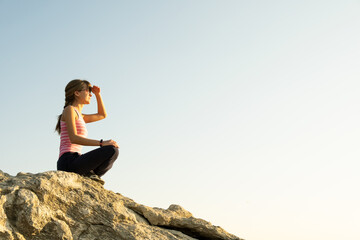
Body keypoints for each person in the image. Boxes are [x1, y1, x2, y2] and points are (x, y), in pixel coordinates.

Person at [55, 79, 119, 183]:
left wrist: (98, 94)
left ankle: (91, 176)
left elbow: (102, 115)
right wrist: (102, 143)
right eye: (87, 91)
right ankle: (90, 175)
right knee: (110, 150)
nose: (90, 94)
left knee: (114, 151)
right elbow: (73, 138)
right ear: (77, 93)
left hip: (77, 158)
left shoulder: (81, 116)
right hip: (68, 161)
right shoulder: (69, 110)